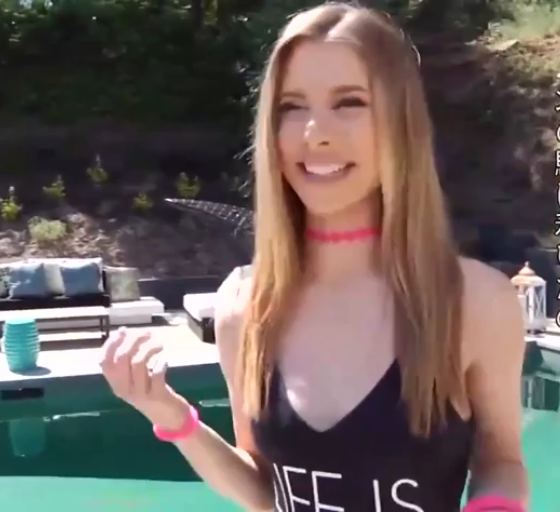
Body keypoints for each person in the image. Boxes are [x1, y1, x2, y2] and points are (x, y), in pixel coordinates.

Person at [100, 3, 529, 511]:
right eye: (292, 106)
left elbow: (502, 461)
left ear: (400, 122)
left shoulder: (475, 302)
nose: (315, 132)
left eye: (349, 103)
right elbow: (266, 490)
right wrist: (171, 415)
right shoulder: (243, 306)